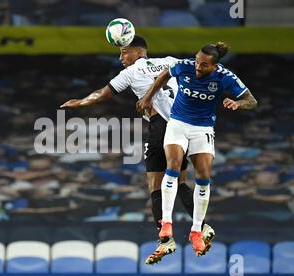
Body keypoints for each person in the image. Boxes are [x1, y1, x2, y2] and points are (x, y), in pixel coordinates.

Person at [61, 36, 215, 264]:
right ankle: (202, 227)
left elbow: (103, 94)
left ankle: (166, 241)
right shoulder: (171, 61)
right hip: (184, 125)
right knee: (180, 183)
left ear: (138, 52)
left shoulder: (131, 72)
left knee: (155, 185)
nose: (121, 58)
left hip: (161, 126)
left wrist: (81, 102)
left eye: (124, 53)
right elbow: (202, 69)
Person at [137, 42, 257, 256]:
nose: (197, 68)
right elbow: (165, 74)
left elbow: (252, 100)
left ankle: (196, 231)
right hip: (178, 124)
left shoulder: (225, 77)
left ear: (214, 66)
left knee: (203, 177)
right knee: (172, 168)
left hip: (202, 128)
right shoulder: (184, 66)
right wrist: (147, 96)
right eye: (196, 61)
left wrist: (239, 104)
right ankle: (166, 223)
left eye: (203, 65)